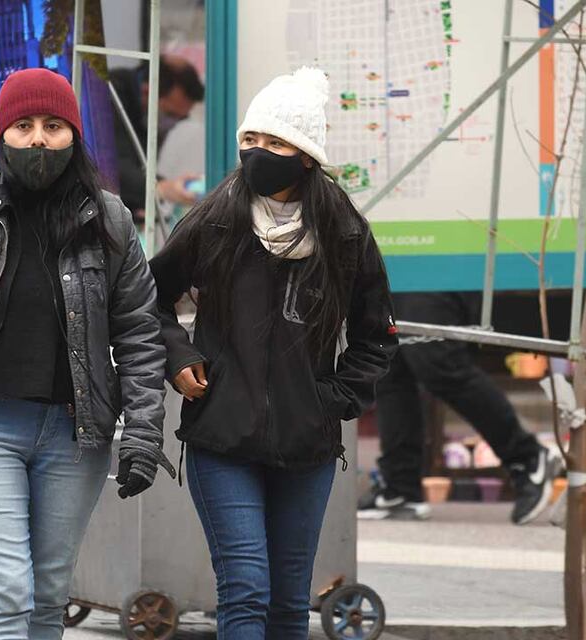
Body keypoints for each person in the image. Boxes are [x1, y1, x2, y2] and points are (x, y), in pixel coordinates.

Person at [0, 68, 173, 639]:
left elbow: (139, 335)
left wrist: (142, 433)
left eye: (53, 125)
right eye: (23, 125)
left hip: (74, 436)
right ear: (2, 135)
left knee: (47, 598)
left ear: (74, 136)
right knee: (5, 593)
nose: (38, 139)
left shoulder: (110, 222)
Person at [150, 67, 398, 639]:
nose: (259, 153)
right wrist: (178, 357)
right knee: (246, 591)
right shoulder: (215, 218)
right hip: (221, 439)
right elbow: (145, 301)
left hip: (306, 447)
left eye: (276, 142)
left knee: (289, 602)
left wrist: (329, 399)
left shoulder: (344, 232)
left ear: (307, 155)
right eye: (251, 140)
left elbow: (376, 335)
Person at [359, 291, 554, 525]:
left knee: (438, 362)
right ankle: (400, 487)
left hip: (432, 264)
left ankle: (527, 457)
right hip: (390, 265)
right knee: (388, 366)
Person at [110, 54, 206, 219]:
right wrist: (162, 188)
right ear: (147, 92)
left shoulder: (142, 110)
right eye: (169, 114)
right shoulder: (109, 95)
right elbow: (113, 165)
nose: (173, 124)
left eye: (181, 118)